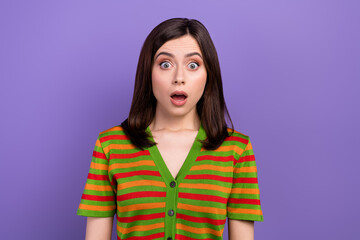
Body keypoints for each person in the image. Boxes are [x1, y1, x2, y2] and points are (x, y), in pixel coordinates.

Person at [77, 17, 263, 240]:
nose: (179, 78)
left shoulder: (237, 149)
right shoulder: (110, 145)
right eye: (165, 64)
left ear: (208, 74)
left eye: (193, 65)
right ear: (148, 72)